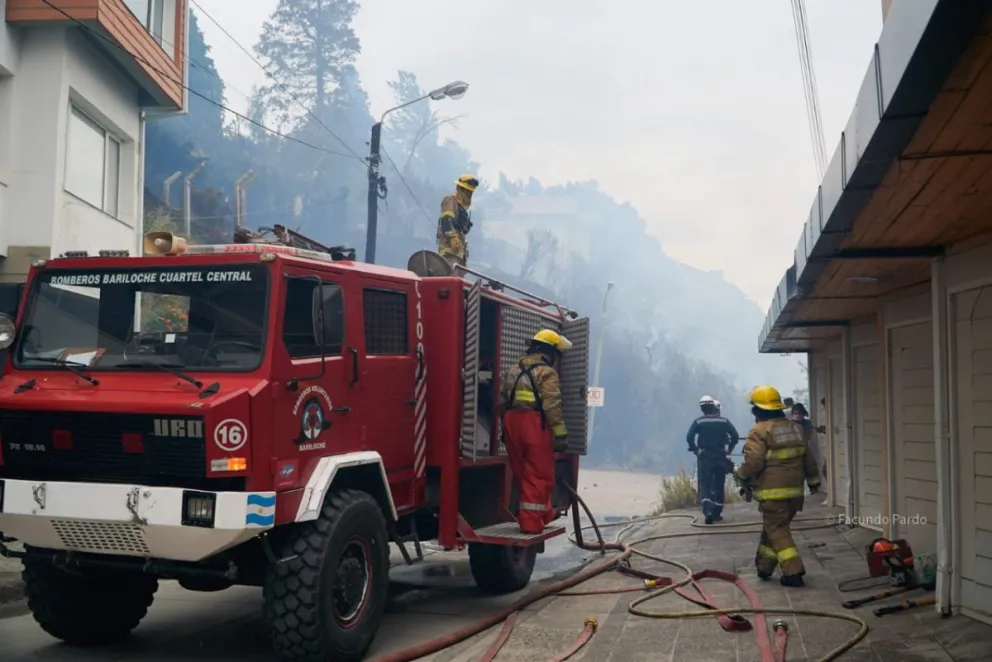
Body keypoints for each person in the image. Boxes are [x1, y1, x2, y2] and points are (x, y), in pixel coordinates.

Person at [733, 385, 821, 587]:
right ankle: (764, 567)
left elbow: (754, 461)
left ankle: (793, 572)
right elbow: (808, 459)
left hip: (773, 494)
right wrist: (814, 482)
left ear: (758, 409)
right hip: (795, 494)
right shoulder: (795, 428)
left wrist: (741, 475)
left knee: (778, 529)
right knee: (774, 528)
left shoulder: (759, 431)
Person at [498, 329, 572, 534]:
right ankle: (531, 524)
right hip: (535, 424)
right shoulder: (547, 373)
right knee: (539, 475)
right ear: (550, 352)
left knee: (523, 472)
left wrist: (504, 427)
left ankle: (543, 514)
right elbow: (552, 406)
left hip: (511, 422)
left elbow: (501, 402)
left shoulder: (512, 369)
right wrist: (560, 434)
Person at [686, 395, 739, 524]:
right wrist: (729, 449)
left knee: (705, 484)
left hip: (705, 457)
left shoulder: (698, 422)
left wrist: (696, 450)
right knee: (719, 484)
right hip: (720, 456)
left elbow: (689, 437)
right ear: (714, 407)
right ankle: (717, 512)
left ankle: (708, 511)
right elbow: (735, 436)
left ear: (702, 408)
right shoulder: (724, 421)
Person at [437, 174, 478, 268]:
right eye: (467, 191)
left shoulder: (462, 209)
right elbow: (446, 219)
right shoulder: (450, 200)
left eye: (470, 192)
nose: (469, 194)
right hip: (449, 254)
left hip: (459, 256)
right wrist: (453, 238)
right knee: (449, 280)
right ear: (460, 189)